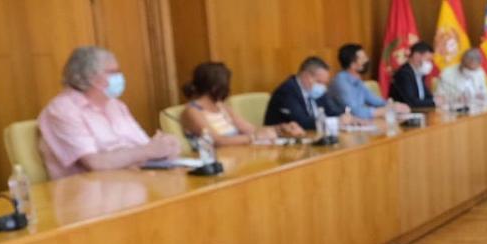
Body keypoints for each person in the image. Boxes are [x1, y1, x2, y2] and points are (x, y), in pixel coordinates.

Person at [37, 46, 182, 180]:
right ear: (89, 77)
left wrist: (164, 148)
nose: (120, 77)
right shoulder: (63, 110)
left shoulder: (116, 105)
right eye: (113, 72)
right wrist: (147, 151)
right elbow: (95, 162)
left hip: (133, 183)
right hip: (90, 196)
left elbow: (143, 146)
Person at [180, 62, 297, 145]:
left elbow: (251, 129)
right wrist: (254, 138)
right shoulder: (192, 111)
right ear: (215, 87)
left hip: (238, 154)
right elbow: (217, 141)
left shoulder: (221, 107)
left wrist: (280, 128)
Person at [264, 56, 344, 131]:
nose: (323, 87)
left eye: (325, 83)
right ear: (306, 76)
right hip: (283, 140)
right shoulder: (287, 91)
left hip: (311, 137)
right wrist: (336, 121)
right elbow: (302, 122)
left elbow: (331, 111)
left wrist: (344, 116)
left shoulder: (315, 91)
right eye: (319, 82)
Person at [331, 43, 407, 120]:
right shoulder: (341, 82)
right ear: (352, 64)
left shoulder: (357, 80)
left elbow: (374, 100)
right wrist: (385, 110)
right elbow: (355, 111)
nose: (367, 60)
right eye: (363, 58)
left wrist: (393, 105)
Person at [390, 42, 436, 108]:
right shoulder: (404, 74)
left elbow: (426, 96)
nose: (429, 63)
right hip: (404, 114)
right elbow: (411, 102)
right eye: (428, 60)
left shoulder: (419, 73)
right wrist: (434, 102)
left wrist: (435, 99)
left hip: (419, 112)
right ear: (416, 56)